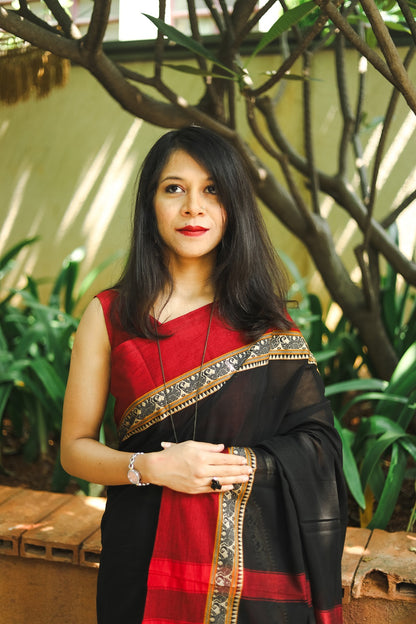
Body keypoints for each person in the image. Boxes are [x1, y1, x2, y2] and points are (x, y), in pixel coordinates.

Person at [61, 125, 347, 624]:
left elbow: (319, 445)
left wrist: (234, 465)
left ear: (233, 206)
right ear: (150, 205)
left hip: (251, 583)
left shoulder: (268, 327)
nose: (193, 206)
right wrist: (148, 468)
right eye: (174, 188)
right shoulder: (110, 316)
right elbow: (74, 448)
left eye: (212, 189)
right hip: (140, 562)